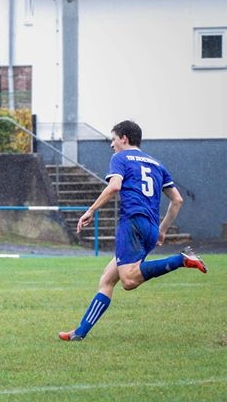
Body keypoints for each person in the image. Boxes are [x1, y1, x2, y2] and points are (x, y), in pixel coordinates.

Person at [59, 120, 207, 342]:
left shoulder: (120, 158)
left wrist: (90, 210)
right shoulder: (157, 164)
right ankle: (79, 333)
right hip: (150, 228)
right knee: (107, 279)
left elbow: (114, 186)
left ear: (124, 138)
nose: (112, 145)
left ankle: (181, 259)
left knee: (128, 280)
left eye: (113, 139)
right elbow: (177, 200)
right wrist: (162, 230)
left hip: (132, 223)